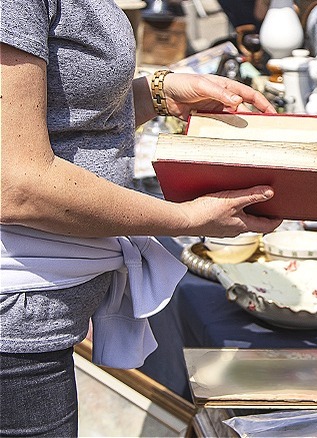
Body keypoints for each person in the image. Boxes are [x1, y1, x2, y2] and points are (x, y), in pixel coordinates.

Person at [0, 1, 283, 435]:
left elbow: (62, 116)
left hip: (35, 326)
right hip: (14, 330)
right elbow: (15, 185)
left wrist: (155, 95)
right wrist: (182, 218)